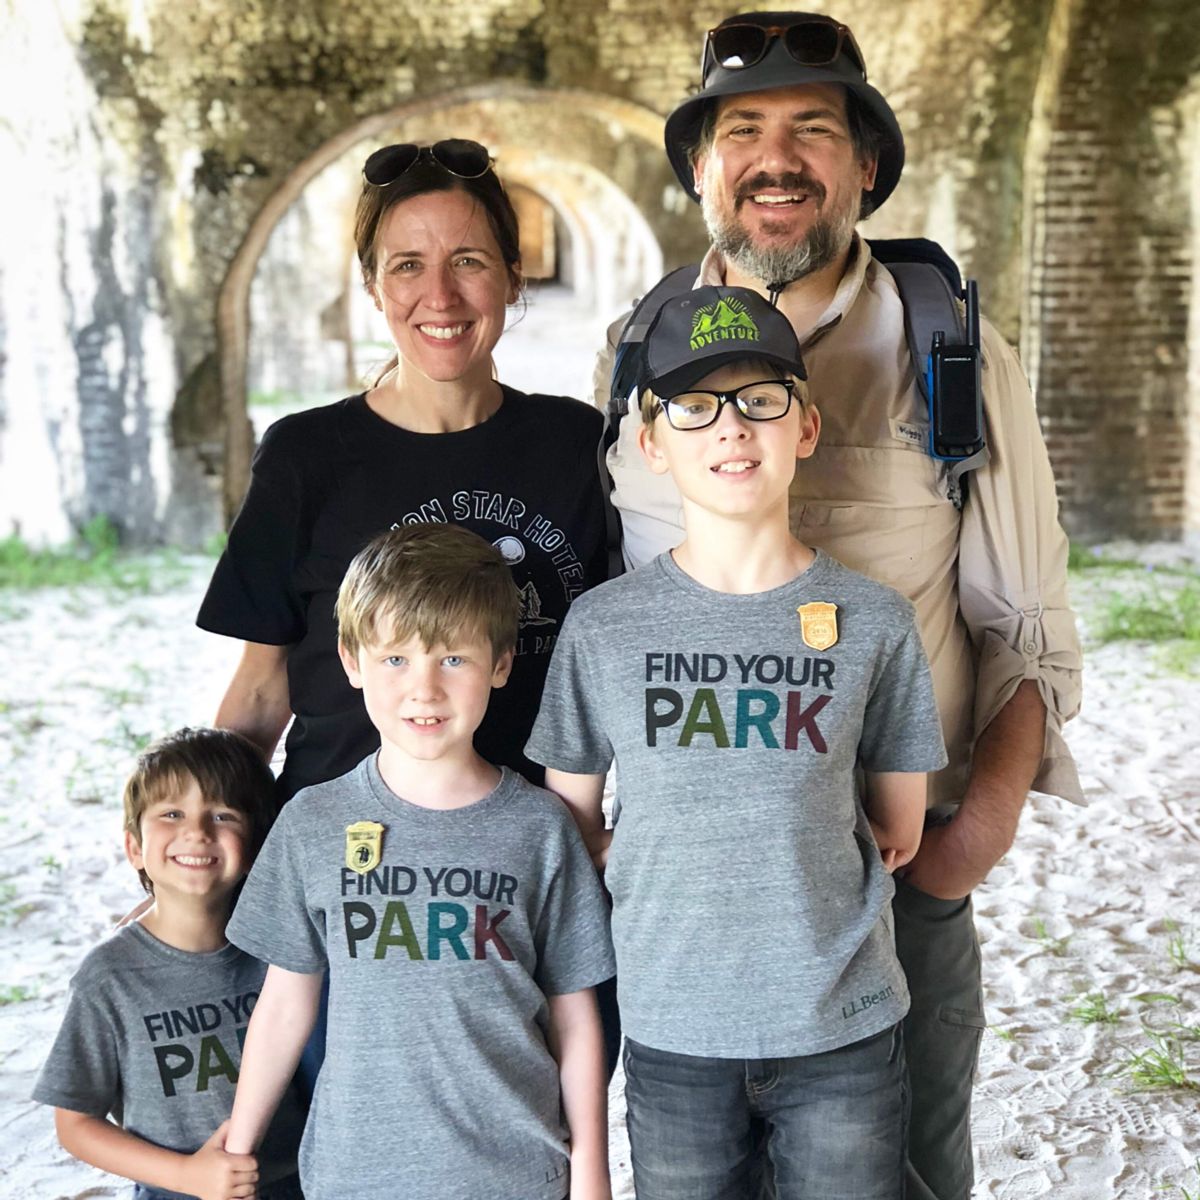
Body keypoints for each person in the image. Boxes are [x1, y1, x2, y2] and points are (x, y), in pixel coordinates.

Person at [593, 14, 1083, 1199]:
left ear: (866, 164)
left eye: (814, 130)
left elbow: (1030, 632)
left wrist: (965, 851)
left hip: (893, 892)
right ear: (700, 168)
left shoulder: (949, 344)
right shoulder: (633, 352)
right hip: (692, 904)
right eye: (743, 130)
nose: (777, 159)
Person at [529, 285, 947, 1199]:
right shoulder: (603, 628)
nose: (731, 429)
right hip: (673, 1029)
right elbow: (571, 820)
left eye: (761, 400)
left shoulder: (874, 620)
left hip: (842, 1027)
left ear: (805, 426)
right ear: (652, 444)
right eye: (694, 407)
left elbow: (900, 825)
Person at [198, 138, 609, 803]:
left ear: (512, 274)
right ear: (372, 285)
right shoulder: (305, 456)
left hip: (522, 863)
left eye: (467, 261)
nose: (439, 295)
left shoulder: (576, 447)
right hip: (342, 855)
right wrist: (211, 835)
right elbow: (260, 687)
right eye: (409, 265)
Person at [222, 523, 616, 1200]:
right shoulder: (312, 824)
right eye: (395, 658)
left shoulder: (540, 828)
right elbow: (284, 1004)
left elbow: (575, 1013)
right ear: (352, 661)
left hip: (517, 1172)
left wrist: (591, 1171)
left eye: (453, 660)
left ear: (499, 662)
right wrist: (237, 1148)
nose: (424, 688)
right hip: (355, 1172)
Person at [32, 728, 305, 1200]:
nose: (196, 832)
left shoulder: (285, 955)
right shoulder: (110, 977)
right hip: (174, 1189)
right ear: (135, 847)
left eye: (222, 815)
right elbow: (75, 1122)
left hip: (297, 1184)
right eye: (171, 814)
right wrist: (186, 1175)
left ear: (256, 847)